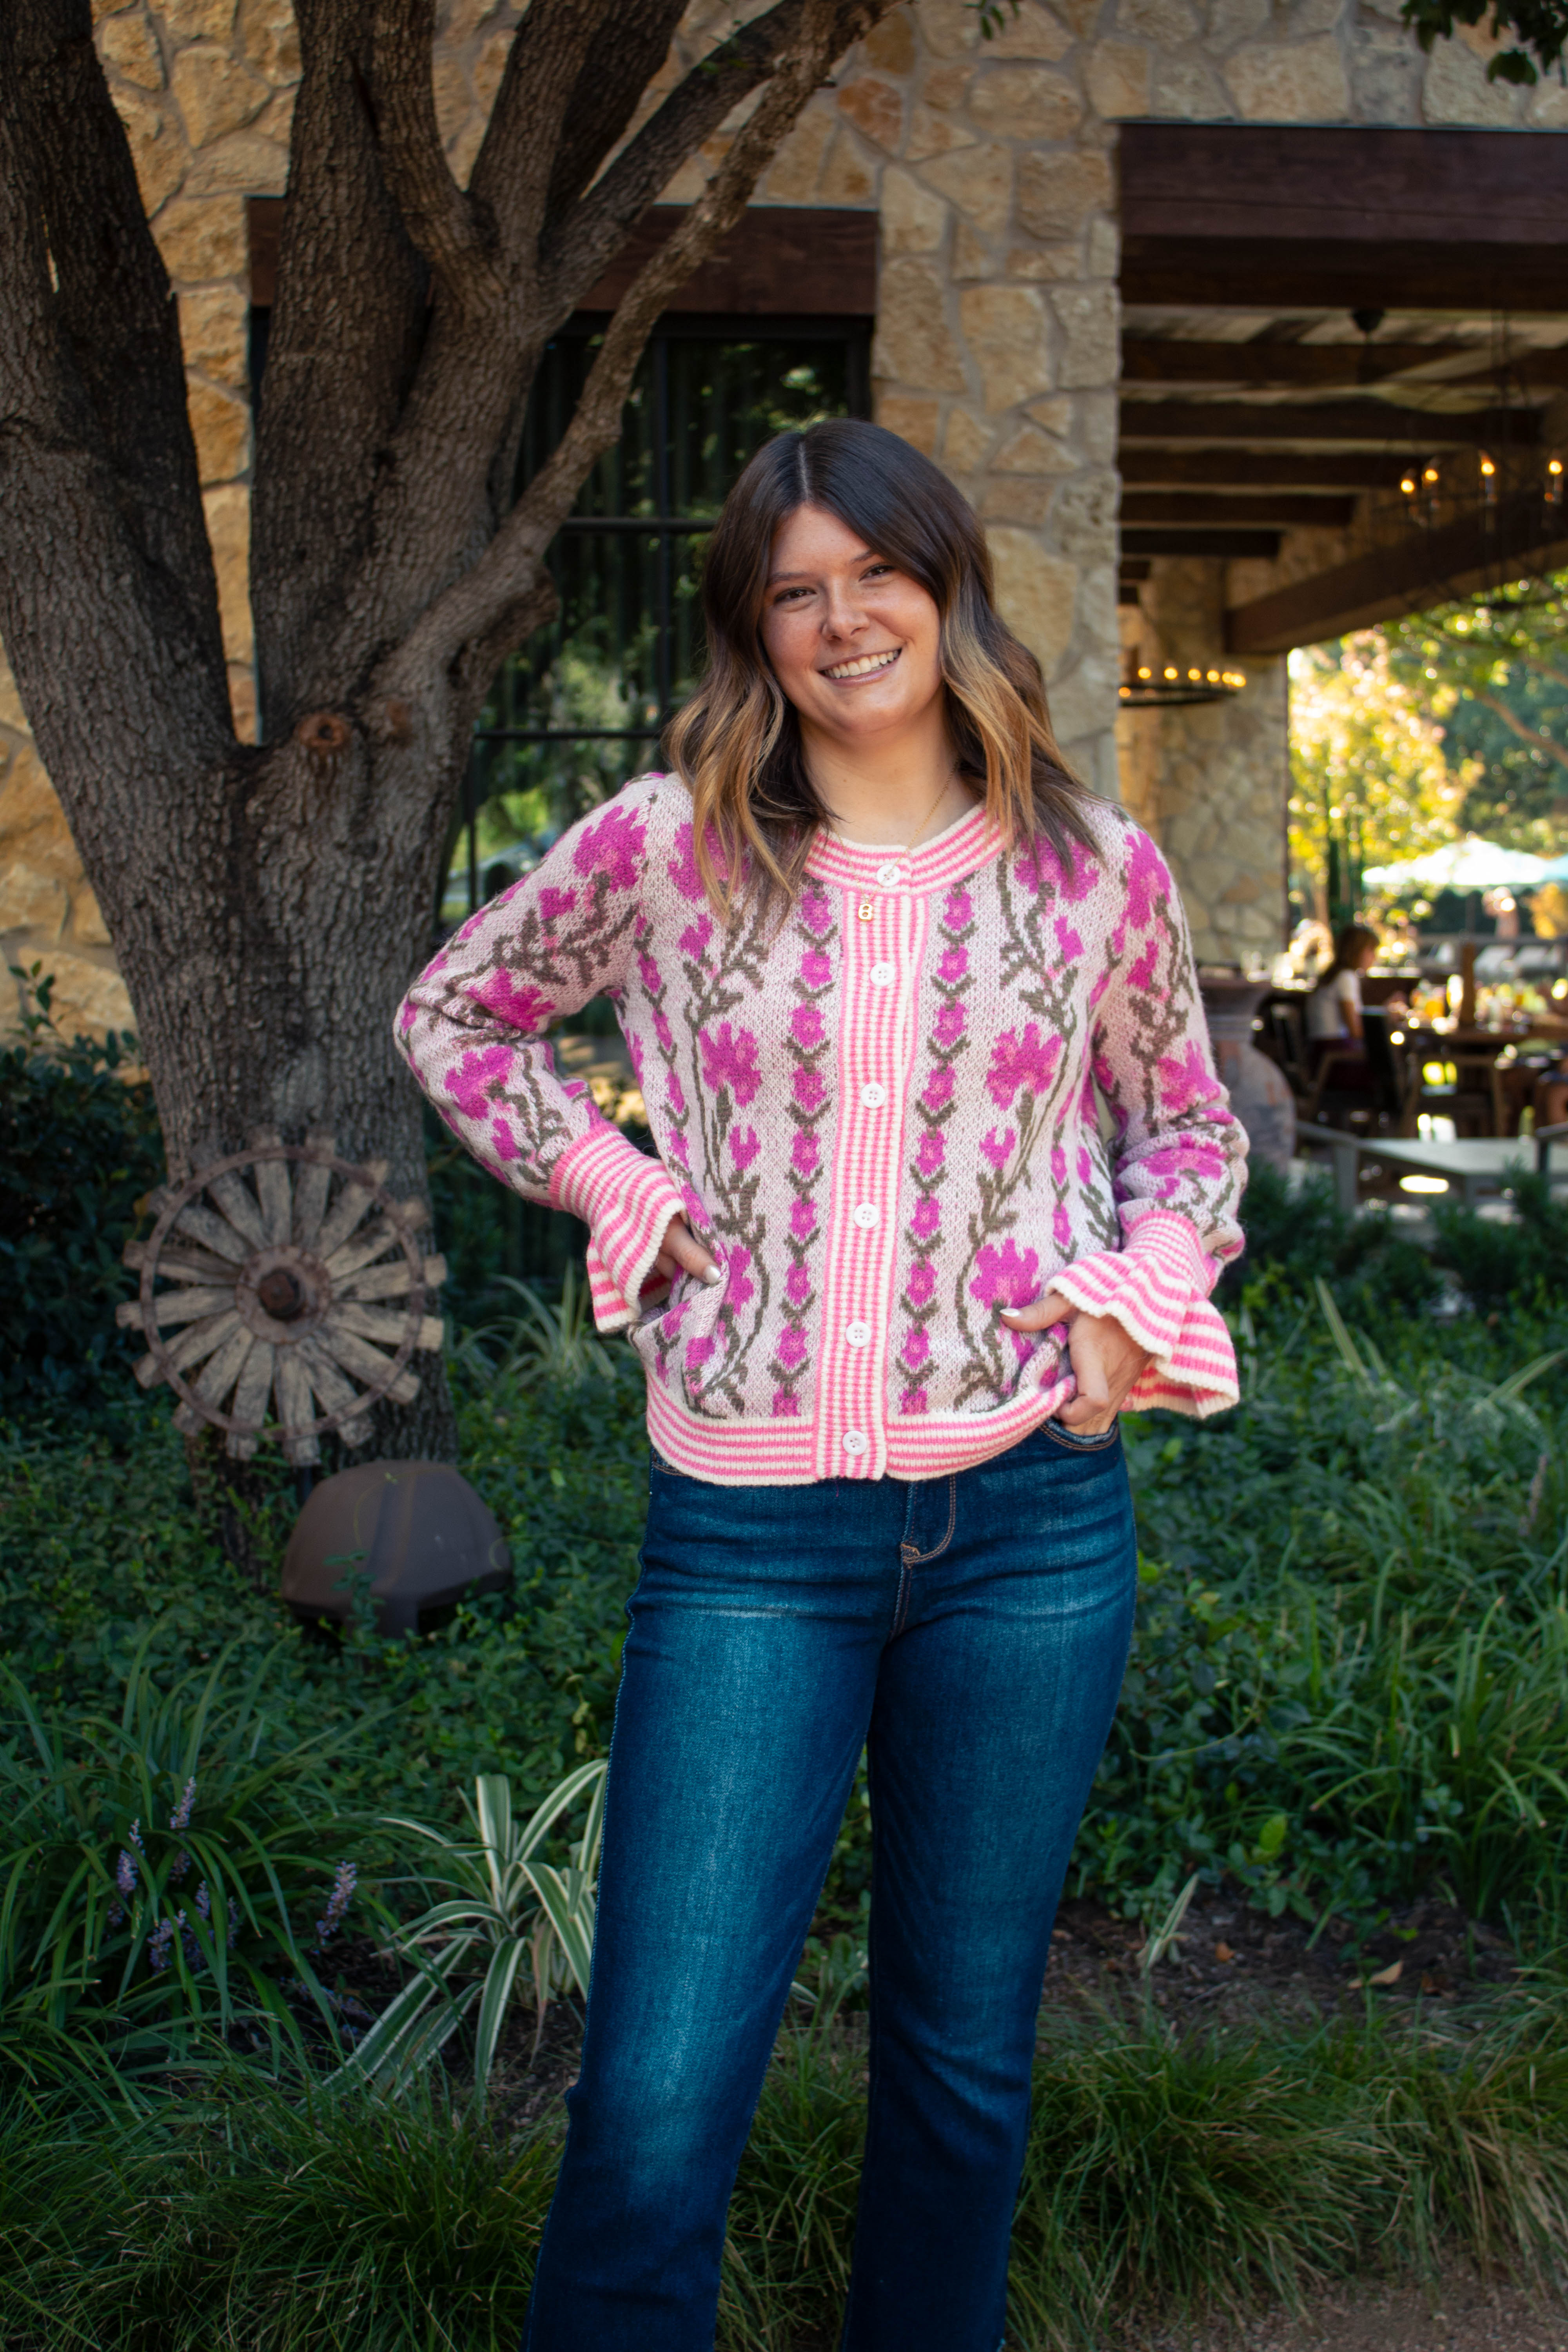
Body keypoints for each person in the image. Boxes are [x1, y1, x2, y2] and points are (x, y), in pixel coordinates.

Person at [395, 418, 1247, 2352]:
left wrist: (1139, 1289)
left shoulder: (1091, 876)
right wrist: (615, 1174)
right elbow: (457, 1014)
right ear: (750, 630)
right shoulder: (664, 849)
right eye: (794, 588)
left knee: (958, 2074)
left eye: (874, 570)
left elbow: (1187, 1140)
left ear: (941, 583)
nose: (841, 615)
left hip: (1029, 1533)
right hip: (748, 1547)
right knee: (659, 2091)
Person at [1304, 921, 1382, 1075]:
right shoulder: (1346, 978)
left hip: (1321, 1055)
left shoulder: (1332, 976)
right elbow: (1355, 1031)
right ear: (1358, 951)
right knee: (1391, 1064)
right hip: (1336, 1059)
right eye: (1371, 950)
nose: (1374, 957)